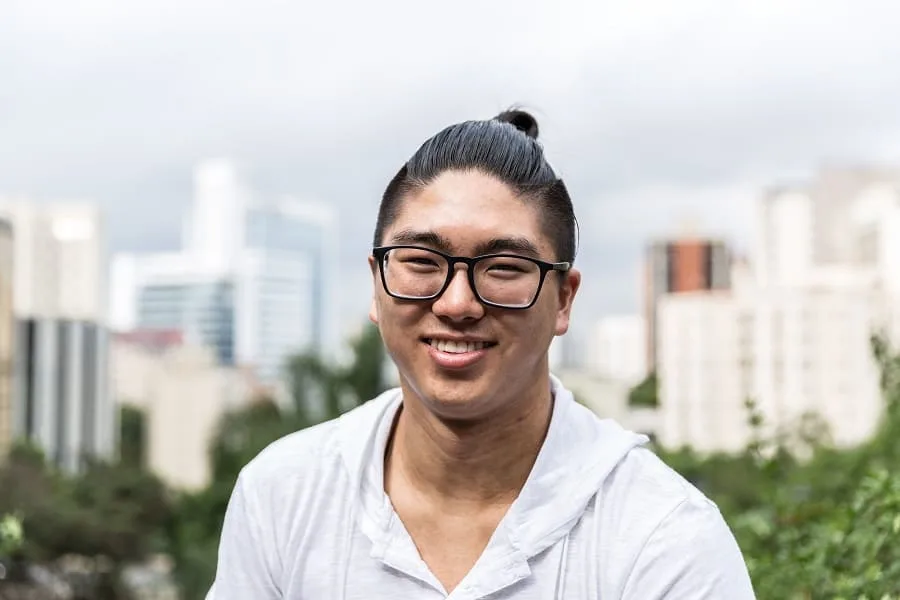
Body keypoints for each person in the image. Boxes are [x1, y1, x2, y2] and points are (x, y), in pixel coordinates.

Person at [206, 109, 757, 599]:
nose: (457, 302)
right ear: (377, 284)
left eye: (503, 269)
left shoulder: (663, 537)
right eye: (421, 262)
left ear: (563, 300)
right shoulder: (285, 495)